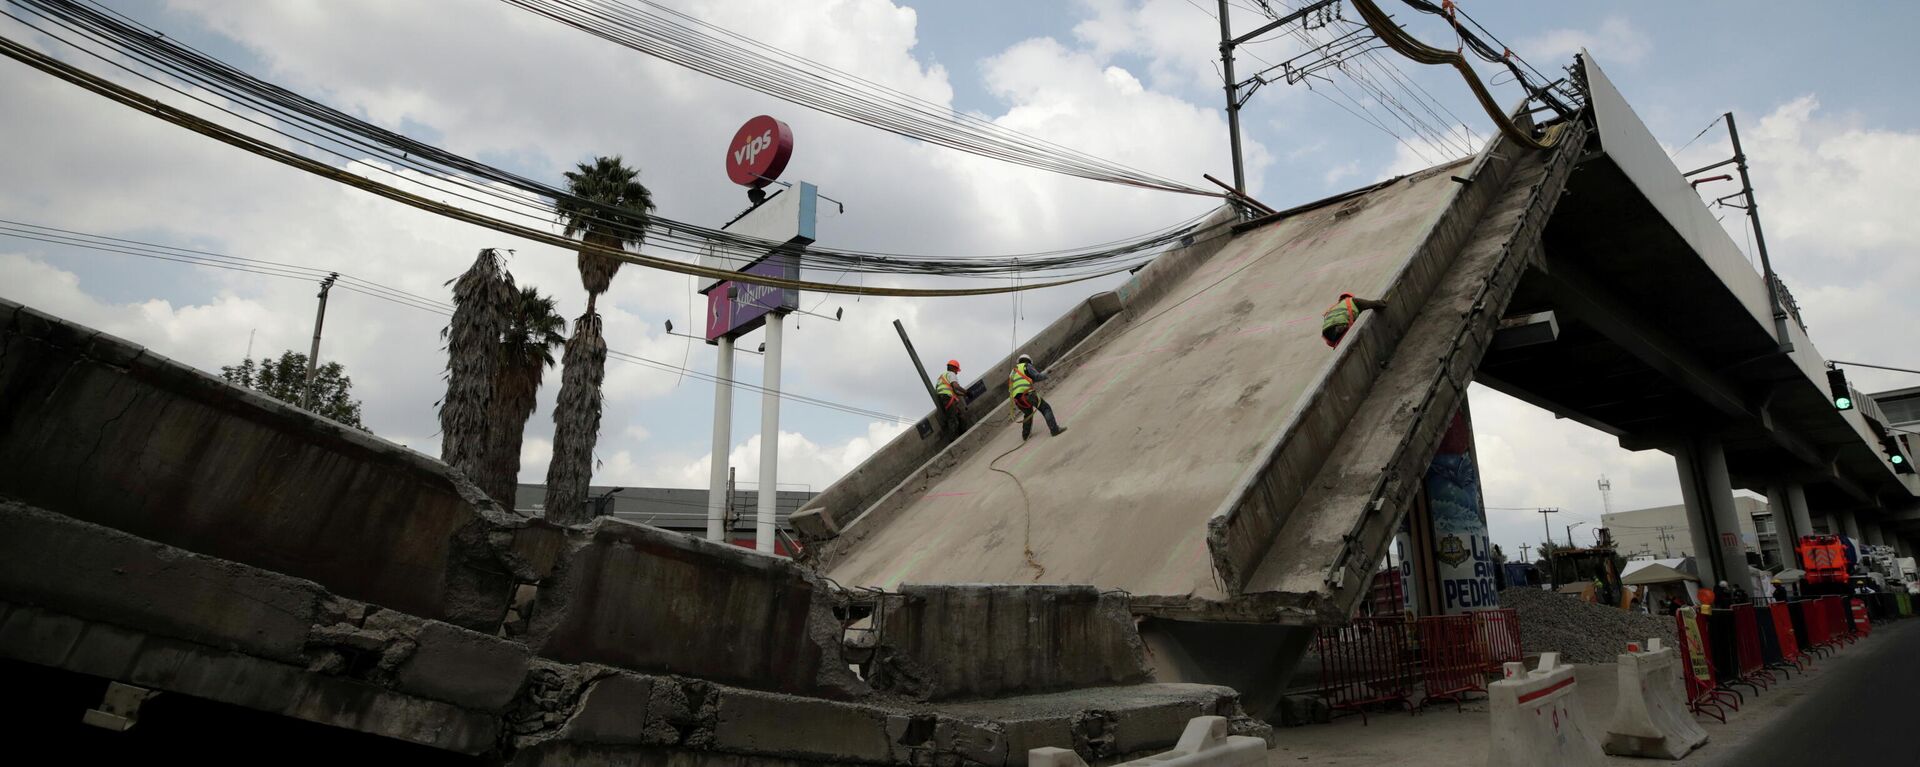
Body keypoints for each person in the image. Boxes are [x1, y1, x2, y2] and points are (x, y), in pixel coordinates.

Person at [1009, 353, 1067, 441]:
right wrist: (1047, 373)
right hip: (1028, 394)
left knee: (1028, 414)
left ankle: (1025, 436)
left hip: (1017, 399)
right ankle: (1054, 430)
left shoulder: (1013, 372)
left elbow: (1022, 382)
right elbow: (1037, 376)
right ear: (1028, 361)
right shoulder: (1026, 366)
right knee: (1046, 409)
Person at [1320, 292, 1389, 348]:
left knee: (1337, 335)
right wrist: (1383, 303)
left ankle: (1337, 332)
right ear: (1350, 297)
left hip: (1326, 332)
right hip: (1340, 323)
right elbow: (1370, 304)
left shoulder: (1332, 308)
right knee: (1343, 326)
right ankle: (1339, 329)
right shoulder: (1351, 301)